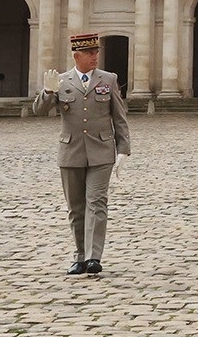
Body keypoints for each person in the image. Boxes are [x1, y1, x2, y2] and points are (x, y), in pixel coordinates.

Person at [33, 31, 131, 276]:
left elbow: (119, 117)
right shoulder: (62, 81)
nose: (95, 56)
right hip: (71, 151)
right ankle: (79, 256)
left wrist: (123, 149)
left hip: (101, 150)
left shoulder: (108, 79)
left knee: (97, 203)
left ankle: (93, 257)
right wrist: (48, 92)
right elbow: (39, 111)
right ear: (77, 55)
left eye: (96, 52)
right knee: (76, 208)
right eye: (89, 53)